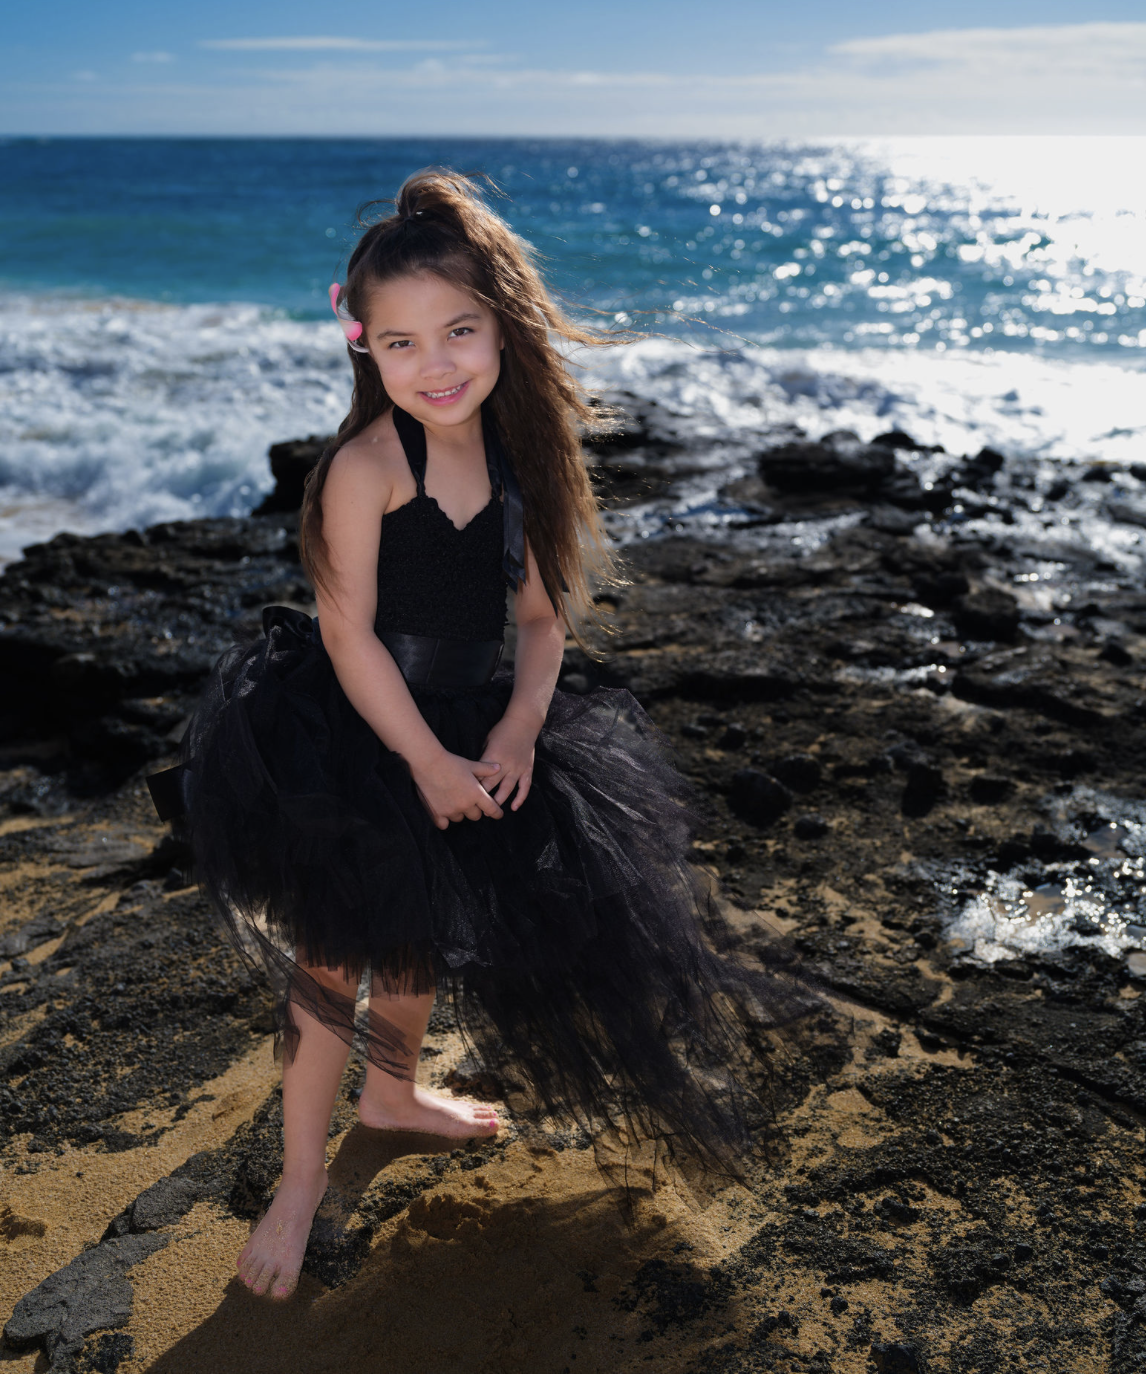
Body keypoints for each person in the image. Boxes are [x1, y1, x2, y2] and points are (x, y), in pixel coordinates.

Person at [151, 169, 822, 1301]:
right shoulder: (365, 469)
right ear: (363, 345)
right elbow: (348, 634)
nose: (437, 364)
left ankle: (392, 1093)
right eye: (402, 343)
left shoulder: (520, 466)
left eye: (459, 331)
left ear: (502, 323)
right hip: (360, 735)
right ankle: (301, 1178)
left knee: (423, 939)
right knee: (331, 964)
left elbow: (541, 622)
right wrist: (421, 760)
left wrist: (515, 731)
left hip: (474, 729)